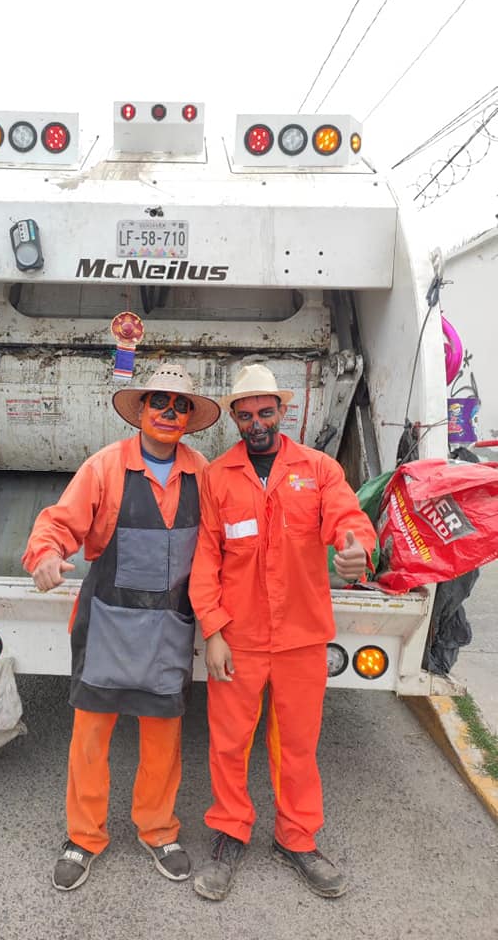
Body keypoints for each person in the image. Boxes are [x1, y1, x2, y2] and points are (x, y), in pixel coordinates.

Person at [22, 363, 221, 892]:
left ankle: (158, 830)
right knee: (90, 737)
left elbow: (223, 545)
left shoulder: (205, 473)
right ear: (142, 409)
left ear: (190, 418)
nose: (169, 412)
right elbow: (58, 523)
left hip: (169, 630)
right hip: (107, 622)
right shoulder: (105, 467)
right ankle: (84, 838)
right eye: (159, 401)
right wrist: (44, 554)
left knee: (163, 739)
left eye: (180, 406)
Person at [189, 363, 377, 902]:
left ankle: (296, 838)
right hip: (240, 637)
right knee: (229, 744)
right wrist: (214, 630)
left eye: (265, 412)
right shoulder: (216, 478)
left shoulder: (317, 470)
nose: (256, 422)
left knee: (297, 745)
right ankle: (229, 834)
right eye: (245, 415)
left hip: (300, 636)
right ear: (234, 418)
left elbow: (347, 519)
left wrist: (354, 549)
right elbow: (206, 558)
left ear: (282, 411)